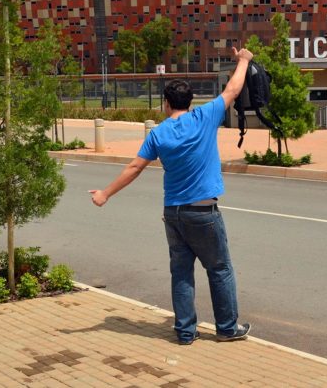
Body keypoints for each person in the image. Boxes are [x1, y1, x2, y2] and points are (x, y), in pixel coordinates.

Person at [89, 45, 254, 345]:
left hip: (173, 215)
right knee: (219, 269)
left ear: (166, 104)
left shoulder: (158, 134)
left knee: (181, 272)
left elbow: (136, 166)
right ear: (189, 101)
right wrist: (243, 60)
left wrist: (105, 193)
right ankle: (227, 328)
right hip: (203, 212)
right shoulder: (204, 117)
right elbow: (232, 89)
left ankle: (185, 331)